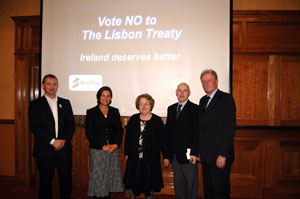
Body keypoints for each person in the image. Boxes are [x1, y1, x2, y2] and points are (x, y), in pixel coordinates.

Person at [190, 69, 236, 199]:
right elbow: (200, 129)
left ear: (216, 81)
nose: (206, 84)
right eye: (203, 82)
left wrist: (223, 154)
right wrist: (198, 151)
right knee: (209, 191)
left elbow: (229, 129)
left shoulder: (226, 99)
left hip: (219, 157)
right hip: (205, 156)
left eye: (209, 80)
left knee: (220, 192)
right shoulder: (202, 100)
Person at [28, 74, 75, 199]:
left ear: (57, 86)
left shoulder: (65, 103)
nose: (52, 87)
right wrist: (53, 141)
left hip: (64, 149)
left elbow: (71, 124)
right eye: (49, 84)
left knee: (65, 180)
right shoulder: (35, 105)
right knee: (45, 181)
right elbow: (35, 127)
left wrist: (63, 140)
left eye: (54, 84)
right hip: (45, 150)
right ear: (43, 86)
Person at [124, 93, 169, 199]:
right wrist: (126, 153)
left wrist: (166, 156)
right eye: (141, 104)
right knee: (133, 183)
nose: (144, 106)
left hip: (151, 160)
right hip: (134, 158)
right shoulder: (133, 119)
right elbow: (128, 138)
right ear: (138, 106)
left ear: (151, 105)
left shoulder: (157, 120)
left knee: (150, 184)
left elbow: (163, 140)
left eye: (146, 104)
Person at [85, 86, 124, 199]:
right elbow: (89, 132)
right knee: (98, 175)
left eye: (108, 96)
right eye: (103, 95)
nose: (105, 98)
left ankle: (107, 195)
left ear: (111, 98)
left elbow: (119, 130)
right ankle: (98, 196)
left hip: (113, 149)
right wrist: (102, 146)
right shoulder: (91, 112)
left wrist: (116, 144)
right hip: (98, 149)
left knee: (110, 175)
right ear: (98, 97)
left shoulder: (115, 111)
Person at [165, 83, 199, 199]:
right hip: (175, 155)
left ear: (189, 93)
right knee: (178, 185)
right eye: (179, 90)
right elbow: (168, 133)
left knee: (191, 185)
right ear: (176, 92)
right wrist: (167, 155)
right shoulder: (171, 109)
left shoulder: (196, 109)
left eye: (185, 91)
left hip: (190, 156)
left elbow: (197, 133)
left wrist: (195, 152)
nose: (182, 93)